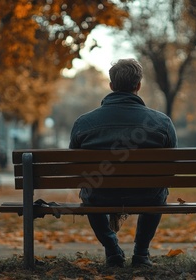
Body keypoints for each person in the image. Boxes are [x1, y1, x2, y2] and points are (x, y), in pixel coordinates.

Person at [69, 58, 178, 267]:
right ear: (138, 86)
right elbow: (170, 168)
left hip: (100, 195)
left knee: (90, 191)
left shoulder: (84, 123)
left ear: (111, 86)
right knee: (158, 191)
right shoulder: (161, 122)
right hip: (147, 195)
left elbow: (76, 167)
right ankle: (141, 254)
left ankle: (112, 251)